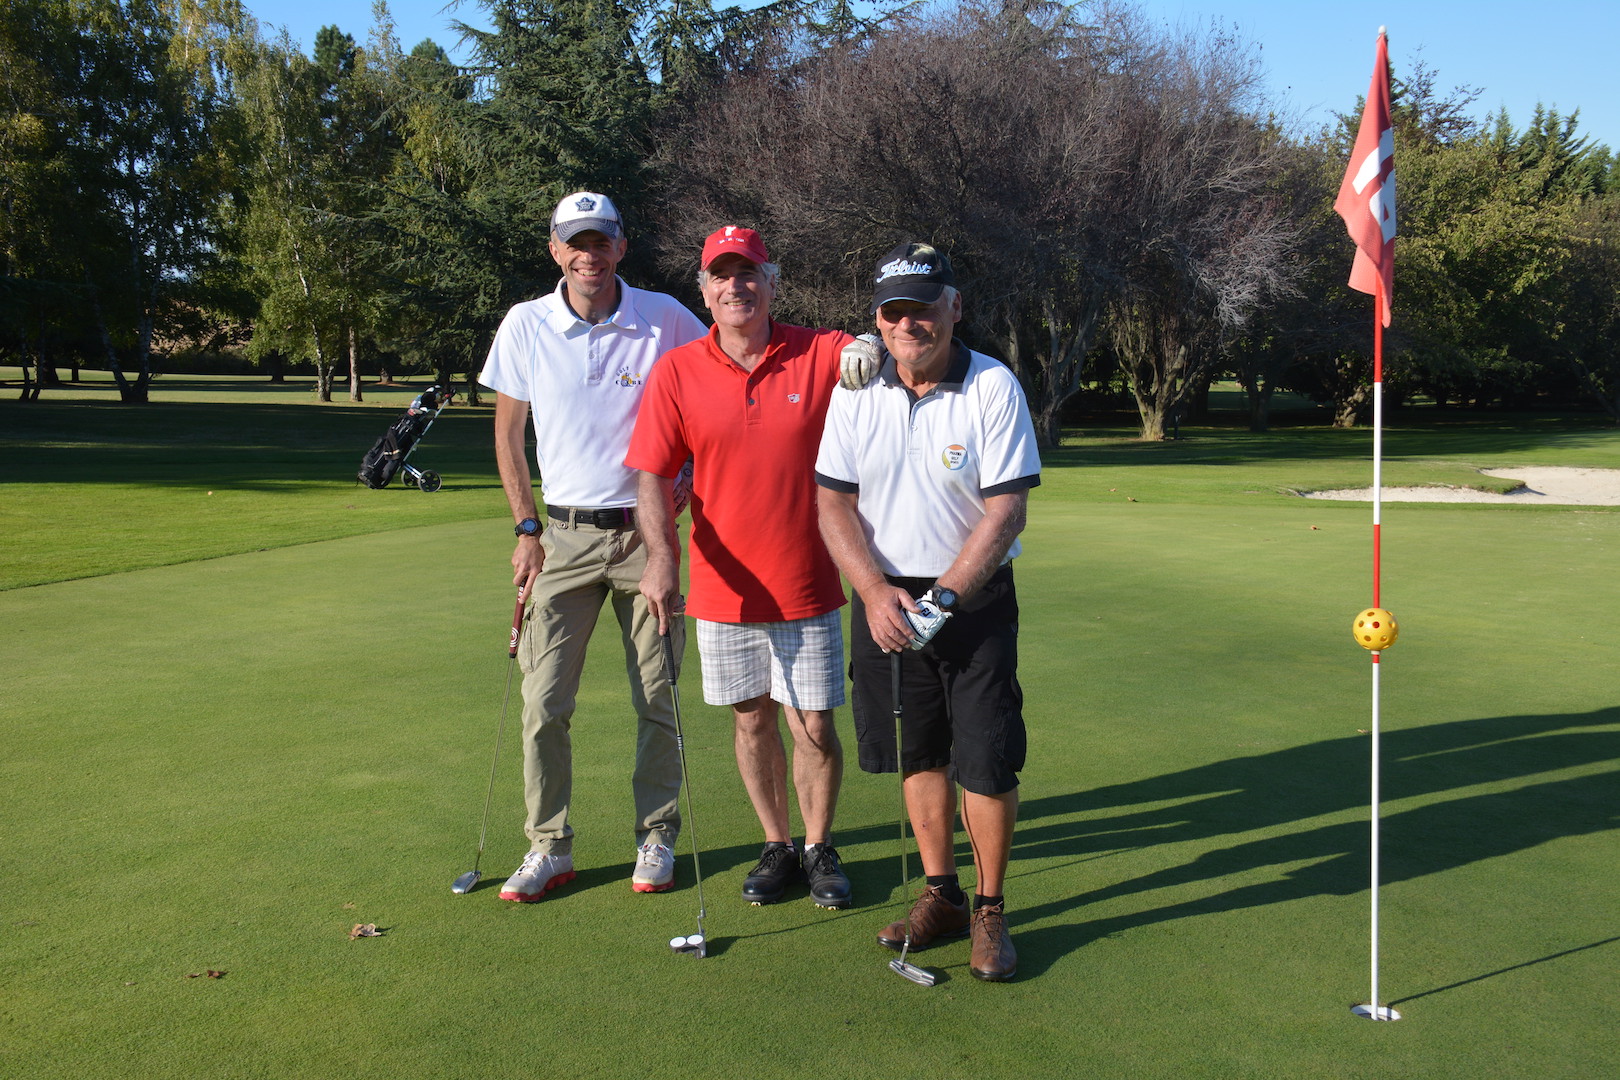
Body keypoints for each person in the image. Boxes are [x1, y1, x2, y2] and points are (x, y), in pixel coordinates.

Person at [814, 241, 1041, 981]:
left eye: (925, 307)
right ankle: (940, 895)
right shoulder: (856, 389)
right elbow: (832, 502)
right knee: (920, 753)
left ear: (955, 307)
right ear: (878, 320)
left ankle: (989, 909)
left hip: (969, 600)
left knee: (986, 757)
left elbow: (1006, 510)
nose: (911, 324)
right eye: (895, 311)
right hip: (886, 596)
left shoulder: (991, 385)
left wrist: (942, 598)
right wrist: (877, 593)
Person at [628, 225, 871, 908]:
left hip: (808, 577)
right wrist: (660, 560)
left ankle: (820, 844)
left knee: (814, 725)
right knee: (751, 719)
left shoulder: (815, 351)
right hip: (723, 584)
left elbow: (862, 349)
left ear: (772, 281)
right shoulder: (677, 371)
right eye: (722, 276)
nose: (737, 286)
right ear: (704, 291)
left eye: (749, 273)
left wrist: (871, 347)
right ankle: (778, 843)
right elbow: (652, 474)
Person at [477, 191, 707, 902]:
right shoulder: (526, 324)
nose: (589, 254)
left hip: (648, 538)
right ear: (555, 250)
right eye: (576, 242)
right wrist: (525, 527)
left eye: (601, 240)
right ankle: (549, 845)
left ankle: (657, 836)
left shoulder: (666, 317)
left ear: (620, 246)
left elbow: (715, 392)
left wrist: (691, 479)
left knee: (656, 697)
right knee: (543, 704)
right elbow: (508, 438)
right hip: (563, 537)